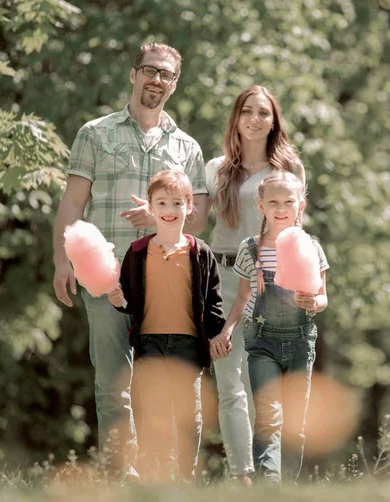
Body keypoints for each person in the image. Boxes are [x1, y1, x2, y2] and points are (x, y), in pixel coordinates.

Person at [52, 43, 209, 471]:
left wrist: (159, 218)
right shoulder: (95, 133)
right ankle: (121, 473)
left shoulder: (187, 148)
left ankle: (162, 473)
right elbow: (71, 205)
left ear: (174, 84)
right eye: (150, 70)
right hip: (105, 277)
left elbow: (197, 217)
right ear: (133, 73)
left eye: (166, 74)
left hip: (166, 281)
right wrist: (61, 261)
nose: (156, 79)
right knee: (112, 382)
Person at [202, 85, 305, 484]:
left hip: (270, 280)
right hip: (220, 277)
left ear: (274, 121)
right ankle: (241, 474)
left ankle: (270, 473)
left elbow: (296, 231)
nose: (255, 119)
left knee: (262, 379)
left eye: (264, 112)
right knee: (228, 380)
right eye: (247, 111)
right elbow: (195, 222)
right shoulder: (215, 169)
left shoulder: (288, 170)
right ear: (236, 117)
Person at [210, 170, 329, 484]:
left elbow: (323, 296)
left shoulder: (311, 247)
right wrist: (225, 330)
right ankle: (270, 487)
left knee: (296, 422)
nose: (281, 207)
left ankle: (289, 485)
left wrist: (315, 303)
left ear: (300, 205)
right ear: (260, 206)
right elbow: (243, 297)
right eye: (273, 201)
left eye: (289, 201)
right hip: (261, 344)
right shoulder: (250, 249)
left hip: (301, 342)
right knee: (267, 418)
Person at [107, 170, 225, 482]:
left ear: (190, 206)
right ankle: (153, 477)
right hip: (150, 343)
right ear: (151, 208)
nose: (169, 210)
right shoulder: (137, 252)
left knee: (188, 415)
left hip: (189, 344)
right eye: (161, 203)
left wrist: (215, 335)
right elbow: (129, 300)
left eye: (176, 203)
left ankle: (185, 477)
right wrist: (118, 300)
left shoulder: (201, 253)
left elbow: (213, 301)